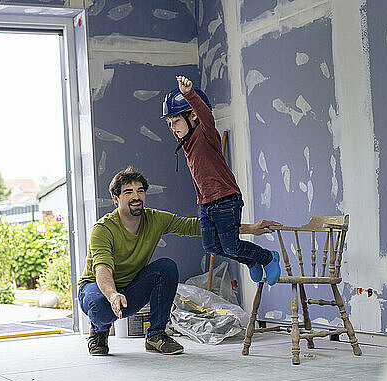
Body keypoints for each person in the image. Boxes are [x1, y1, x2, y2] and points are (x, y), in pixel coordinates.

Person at [78, 166, 280, 356]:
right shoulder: (103, 228)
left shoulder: (155, 219)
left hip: (130, 286)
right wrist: (113, 295)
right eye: (128, 192)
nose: (136, 196)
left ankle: (156, 335)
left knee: (166, 267)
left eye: (140, 191)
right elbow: (103, 268)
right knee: (99, 308)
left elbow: (197, 227)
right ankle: (99, 330)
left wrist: (250, 228)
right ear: (116, 198)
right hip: (96, 287)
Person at [162, 76, 281, 287]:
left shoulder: (205, 132)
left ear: (192, 117)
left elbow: (205, 115)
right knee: (213, 247)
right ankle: (252, 260)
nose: (173, 127)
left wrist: (189, 94)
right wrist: (175, 120)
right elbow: (177, 126)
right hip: (206, 204)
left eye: (176, 121)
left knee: (231, 245)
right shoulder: (185, 142)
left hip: (225, 199)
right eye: (169, 123)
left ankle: (267, 257)